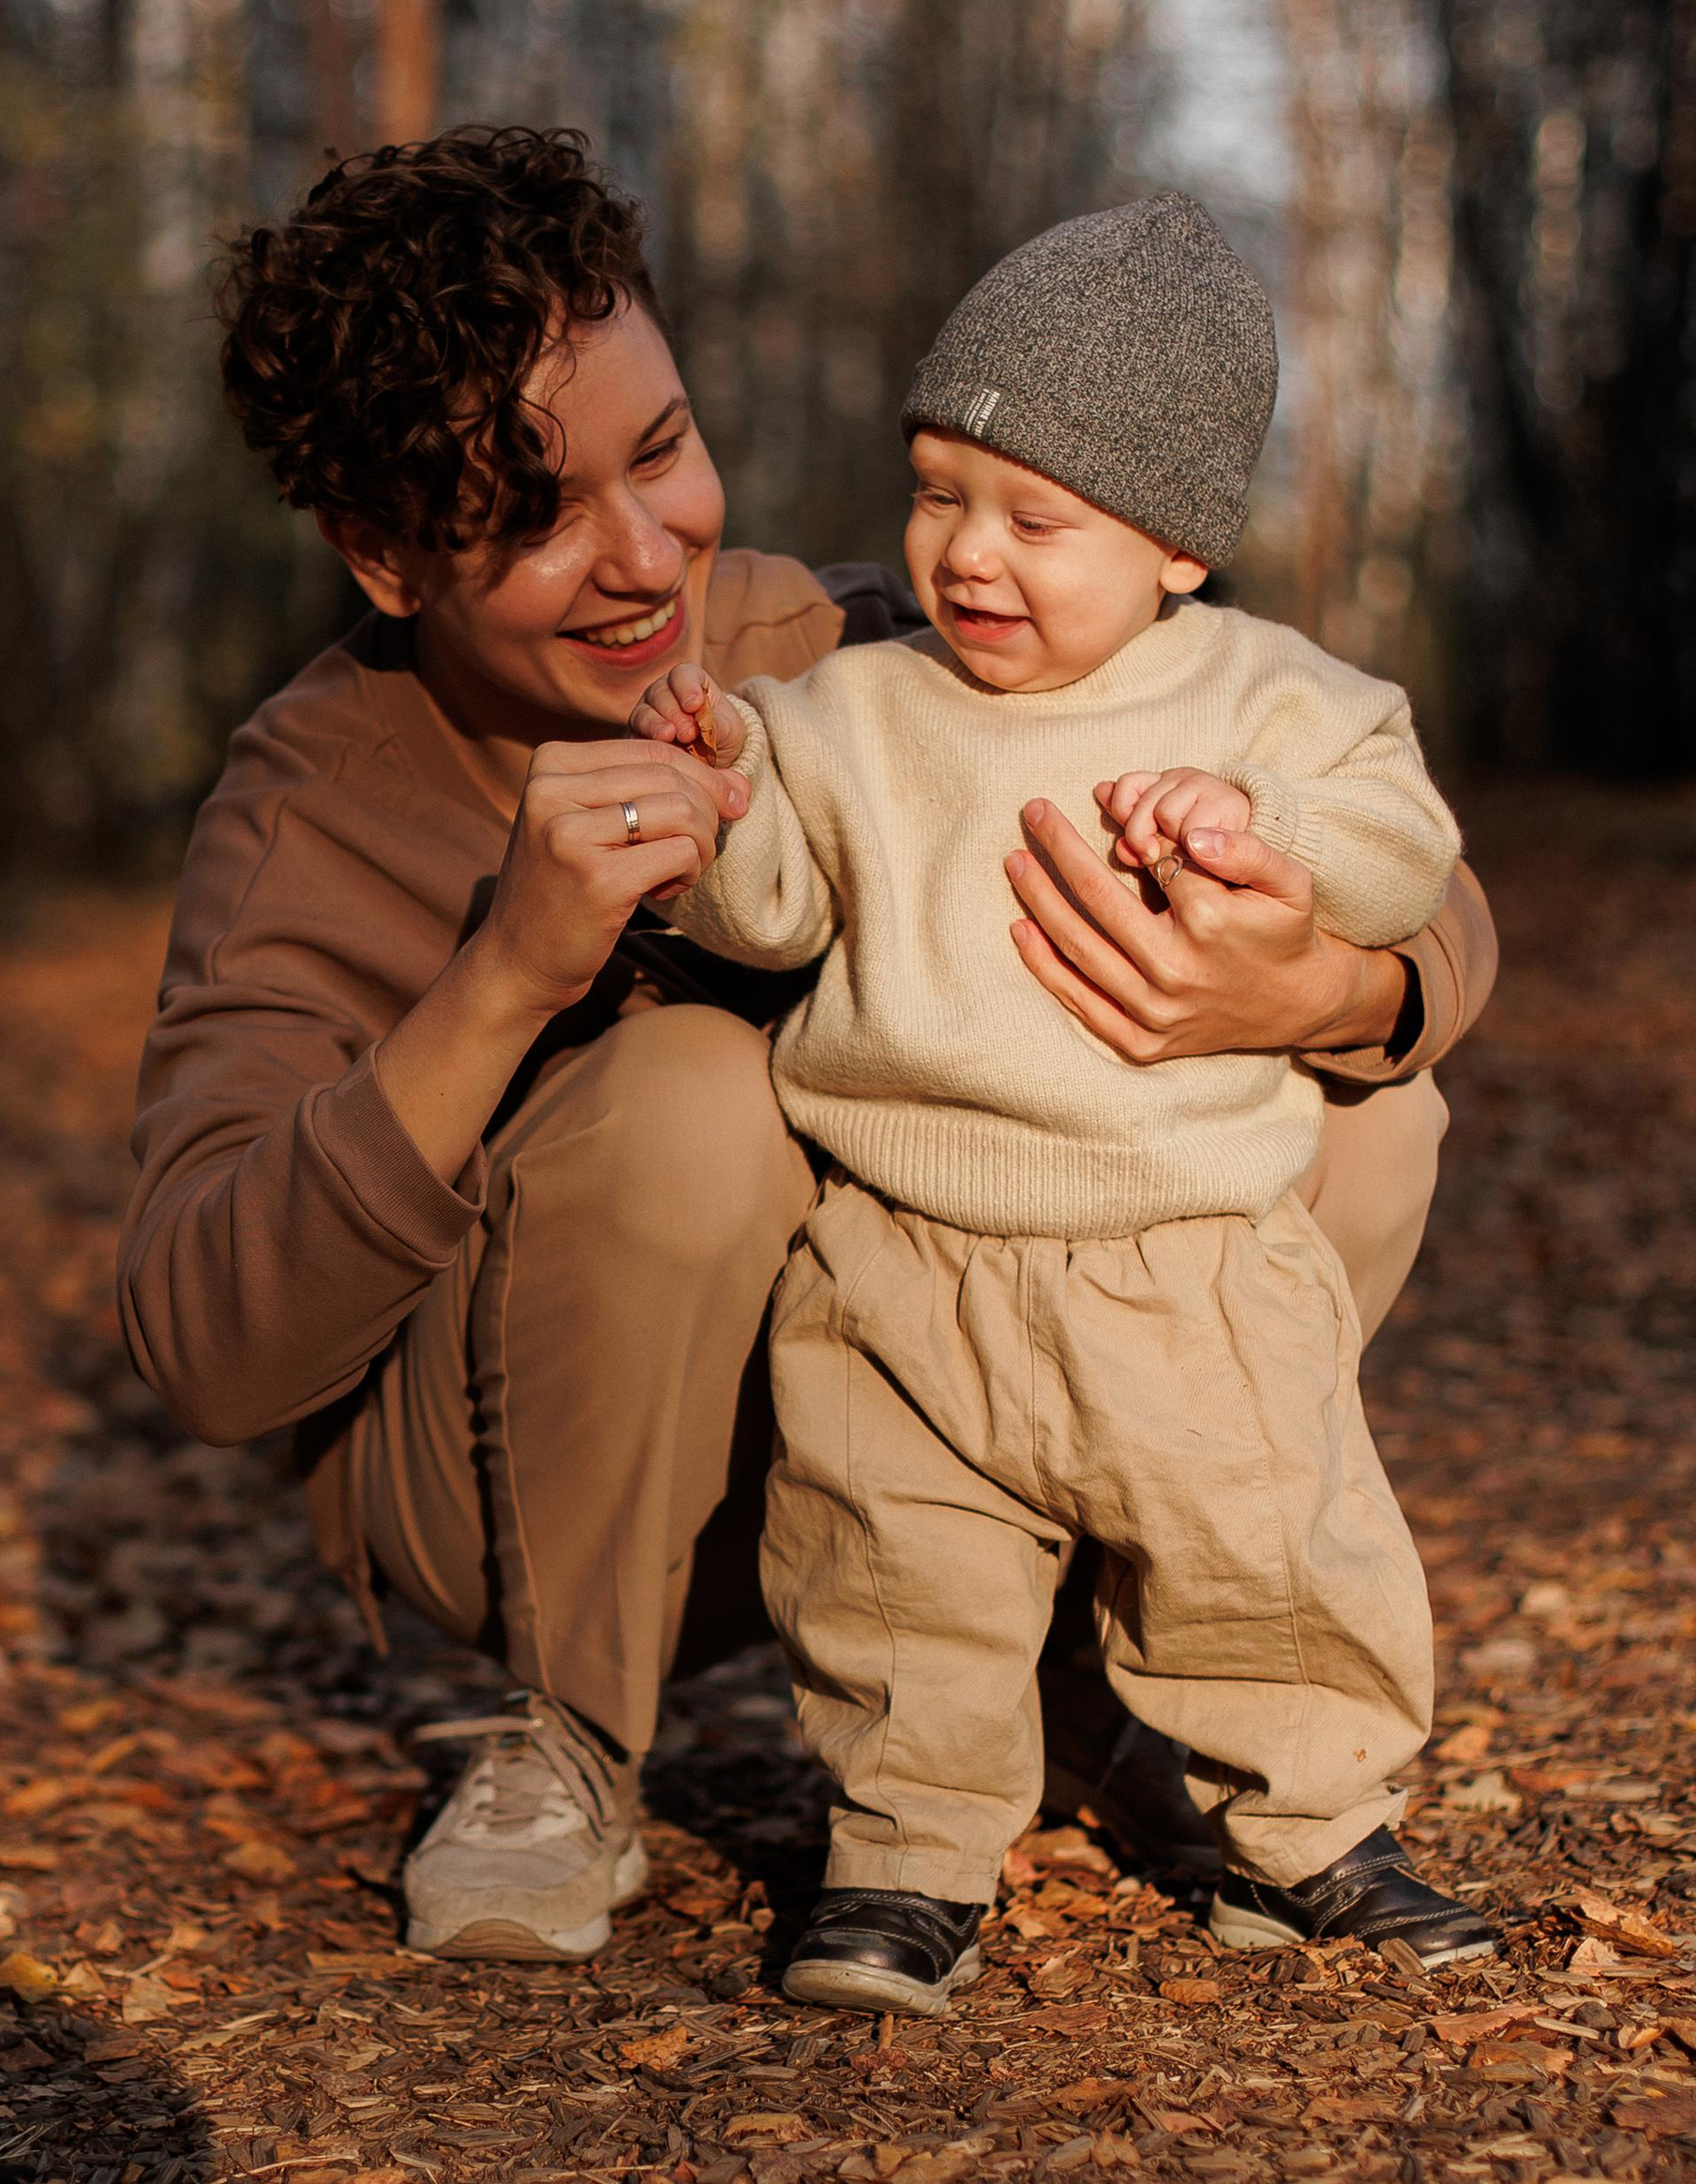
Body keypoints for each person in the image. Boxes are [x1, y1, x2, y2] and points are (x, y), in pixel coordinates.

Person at [117, 128, 1499, 1968]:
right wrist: (505, 980)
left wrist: (1312, 993)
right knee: (700, 1092)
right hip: (508, 1483)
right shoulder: (315, 807)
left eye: (661, 450)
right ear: (378, 556)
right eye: (530, 516)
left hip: (912, 1398)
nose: (641, 558)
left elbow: (1404, 885)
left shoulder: (846, 643)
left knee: (1367, 1119)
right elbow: (208, 1347)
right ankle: (563, 1738)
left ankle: (1078, 1652)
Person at [635, 194, 1495, 2014]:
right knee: (890, 1573)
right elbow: (772, 900)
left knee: (1264, 1549)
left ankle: (1314, 1832)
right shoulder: (854, 711)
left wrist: (1272, 847)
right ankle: (901, 1858)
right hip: (899, 1255)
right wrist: (722, 797)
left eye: (1037, 517)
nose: (967, 551)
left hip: (1179, 1254)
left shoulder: (1277, 701)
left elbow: (1400, 845)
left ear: (1177, 548)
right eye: (937, 490)